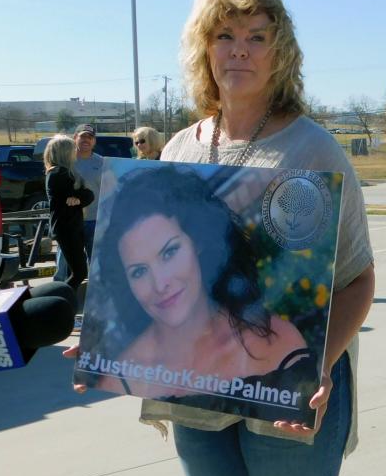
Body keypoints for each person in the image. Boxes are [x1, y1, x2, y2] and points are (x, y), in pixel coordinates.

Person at [75, 0, 374, 476]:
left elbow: (357, 280)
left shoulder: (310, 148)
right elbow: (145, 276)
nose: (240, 51)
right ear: (203, 49)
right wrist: (102, 334)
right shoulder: (182, 148)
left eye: (256, 37)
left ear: (279, 52)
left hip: (287, 384)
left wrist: (316, 366)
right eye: (225, 36)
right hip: (197, 394)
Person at [86, 164, 312, 413]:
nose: (160, 284)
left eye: (169, 252)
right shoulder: (121, 375)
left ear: (199, 243)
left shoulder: (278, 343)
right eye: (139, 271)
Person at [44, 135, 94, 292]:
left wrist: (80, 197)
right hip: (67, 229)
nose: (75, 152)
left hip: (69, 227)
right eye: (73, 149)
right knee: (79, 273)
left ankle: (62, 303)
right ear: (64, 153)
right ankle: (60, 303)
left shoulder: (61, 172)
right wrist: (81, 197)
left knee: (77, 271)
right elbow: (87, 195)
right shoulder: (60, 174)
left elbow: (88, 195)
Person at [54, 124, 103, 283]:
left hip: (94, 220)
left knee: (94, 262)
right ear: (75, 138)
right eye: (82, 136)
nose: (86, 140)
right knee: (64, 262)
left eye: (90, 137)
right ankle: (58, 292)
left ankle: (92, 297)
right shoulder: (66, 162)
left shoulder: (102, 162)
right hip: (71, 221)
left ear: (94, 141)